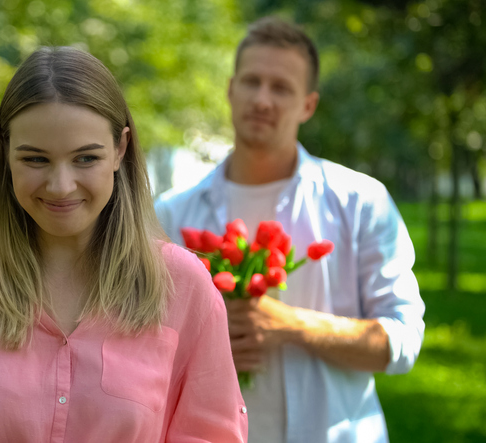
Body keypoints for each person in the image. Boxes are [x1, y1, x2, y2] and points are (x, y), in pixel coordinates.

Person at [0, 47, 247, 443]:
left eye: (85, 159)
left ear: (120, 149)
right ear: (5, 153)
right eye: (36, 160)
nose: (60, 186)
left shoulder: (183, 288)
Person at [155, 17, 425, 443]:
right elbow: (144, 347)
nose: (262, 99)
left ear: (308, 105)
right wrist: (207, 344)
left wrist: (290, 324)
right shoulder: (172, 213)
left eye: (281, 87)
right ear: (231, 89)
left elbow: (403, 340)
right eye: (252, 82)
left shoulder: (360, 201)